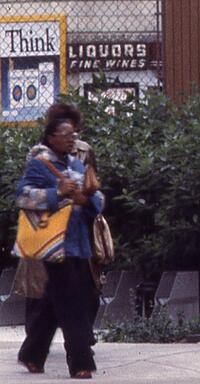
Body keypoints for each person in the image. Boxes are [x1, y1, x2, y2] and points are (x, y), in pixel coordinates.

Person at [15, 116, 104, 379]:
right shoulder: (39, 165)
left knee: (56, 301)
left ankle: (31, 354)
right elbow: (22, 195)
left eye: (73, 134)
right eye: (65, 134)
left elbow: (98, 199)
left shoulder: (77, 164)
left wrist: (88, 197)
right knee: (74, 302)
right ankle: (81, 363)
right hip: (53, 245)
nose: (71, 138)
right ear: (51, 136)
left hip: (79, 243)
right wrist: (57, 192)